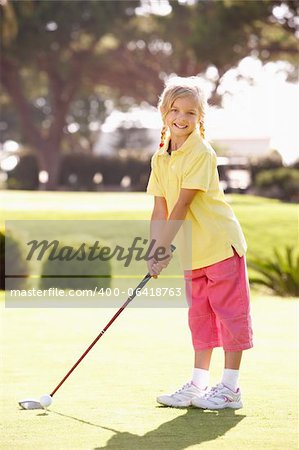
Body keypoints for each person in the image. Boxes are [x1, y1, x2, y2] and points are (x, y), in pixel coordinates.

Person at [146, 76, 253, 410]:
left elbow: (182, 205)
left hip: (221, 245)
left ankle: (230, 389)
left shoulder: (202, 153)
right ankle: (197, 384)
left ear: (200, 118)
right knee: (201, 319)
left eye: (191, 112)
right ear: (163, 113)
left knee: (230, 316)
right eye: (175, 110)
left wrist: (163, 248)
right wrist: (153, 251)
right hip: (195, 254)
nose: (182, 117)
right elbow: (160, 208)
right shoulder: (160, 158)